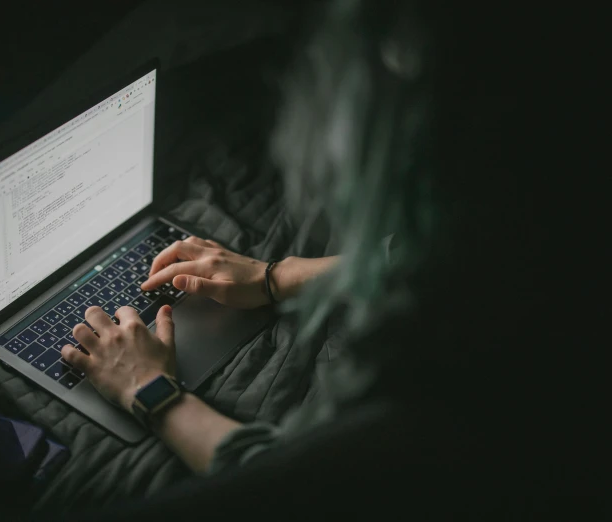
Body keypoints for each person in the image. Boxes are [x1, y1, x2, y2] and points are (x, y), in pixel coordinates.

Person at [60, 0, 553, 480]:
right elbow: (430, 250)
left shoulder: (474, 333)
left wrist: (151, 391)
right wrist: (276, 276)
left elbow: (295, 492)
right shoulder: (521, 194)